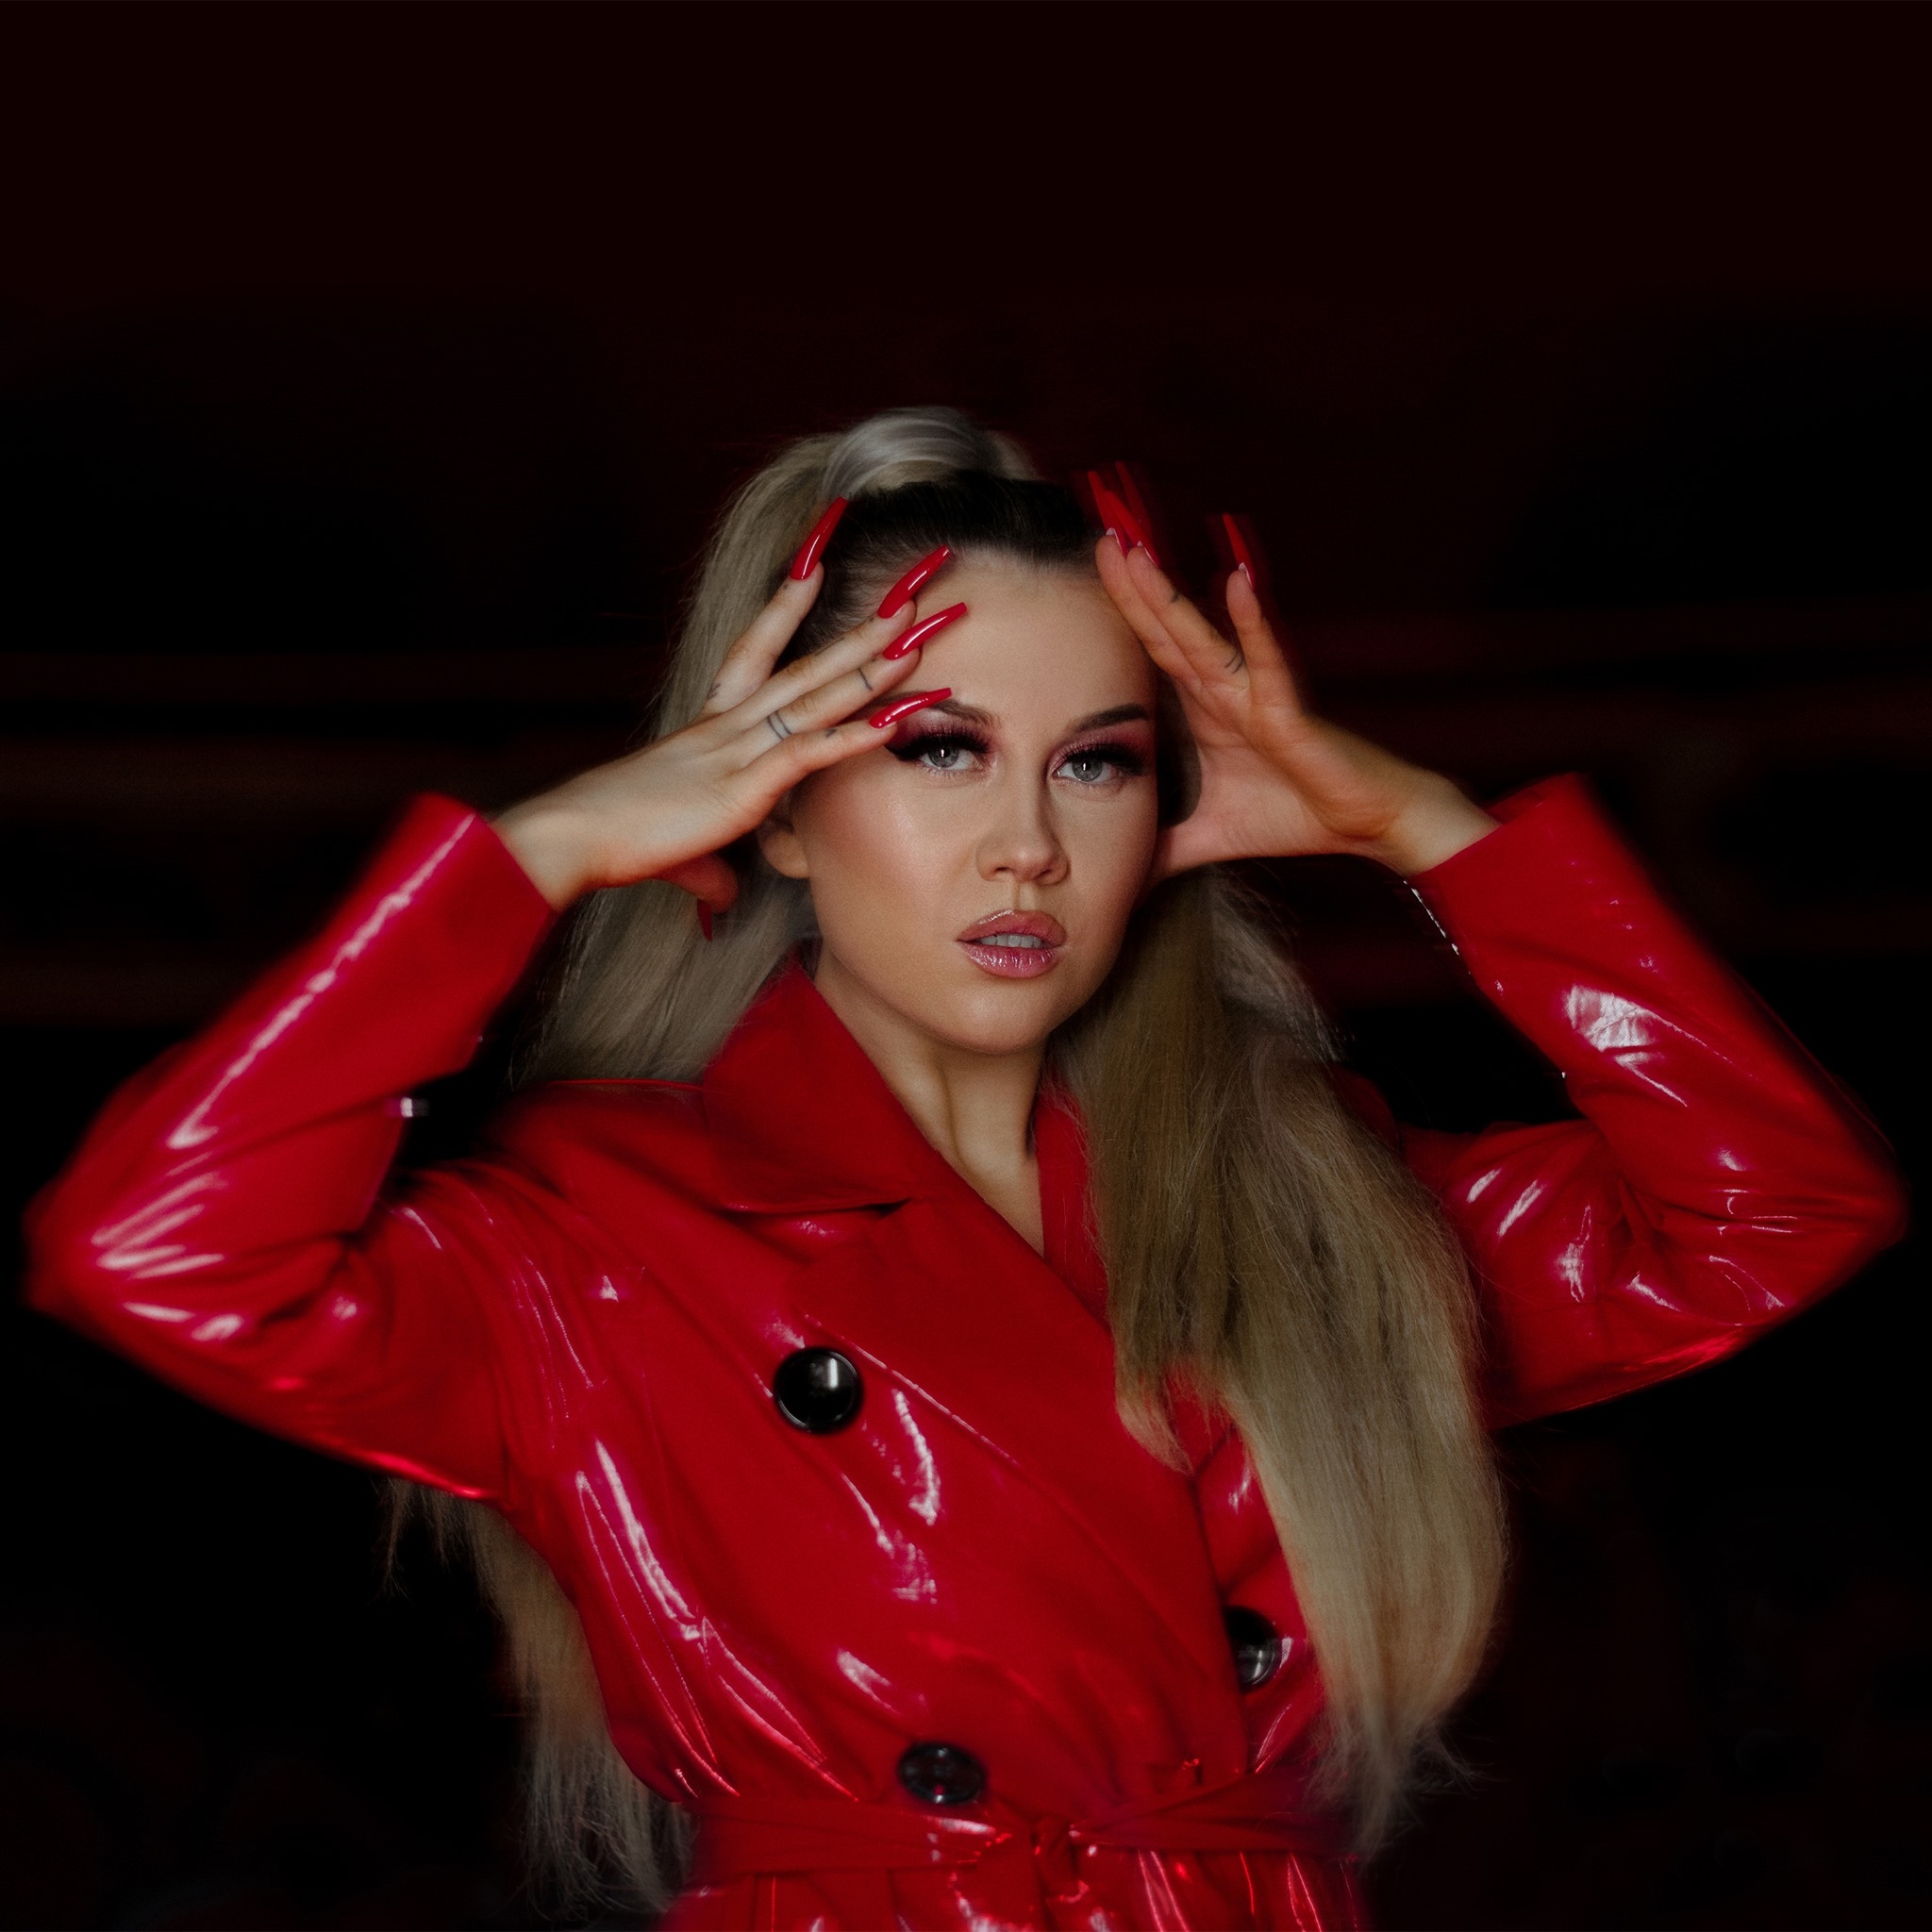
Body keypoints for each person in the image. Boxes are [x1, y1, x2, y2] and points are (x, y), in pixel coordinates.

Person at [25, 408, 1906, 1931]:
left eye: (1097, 762)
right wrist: (534, 859)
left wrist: (1425, 830)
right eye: (939, 748)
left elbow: (1783, 1207)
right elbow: (150, 1248)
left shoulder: (1314, 1196)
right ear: (775, 804)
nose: (1028, 847)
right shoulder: (596, 1235)